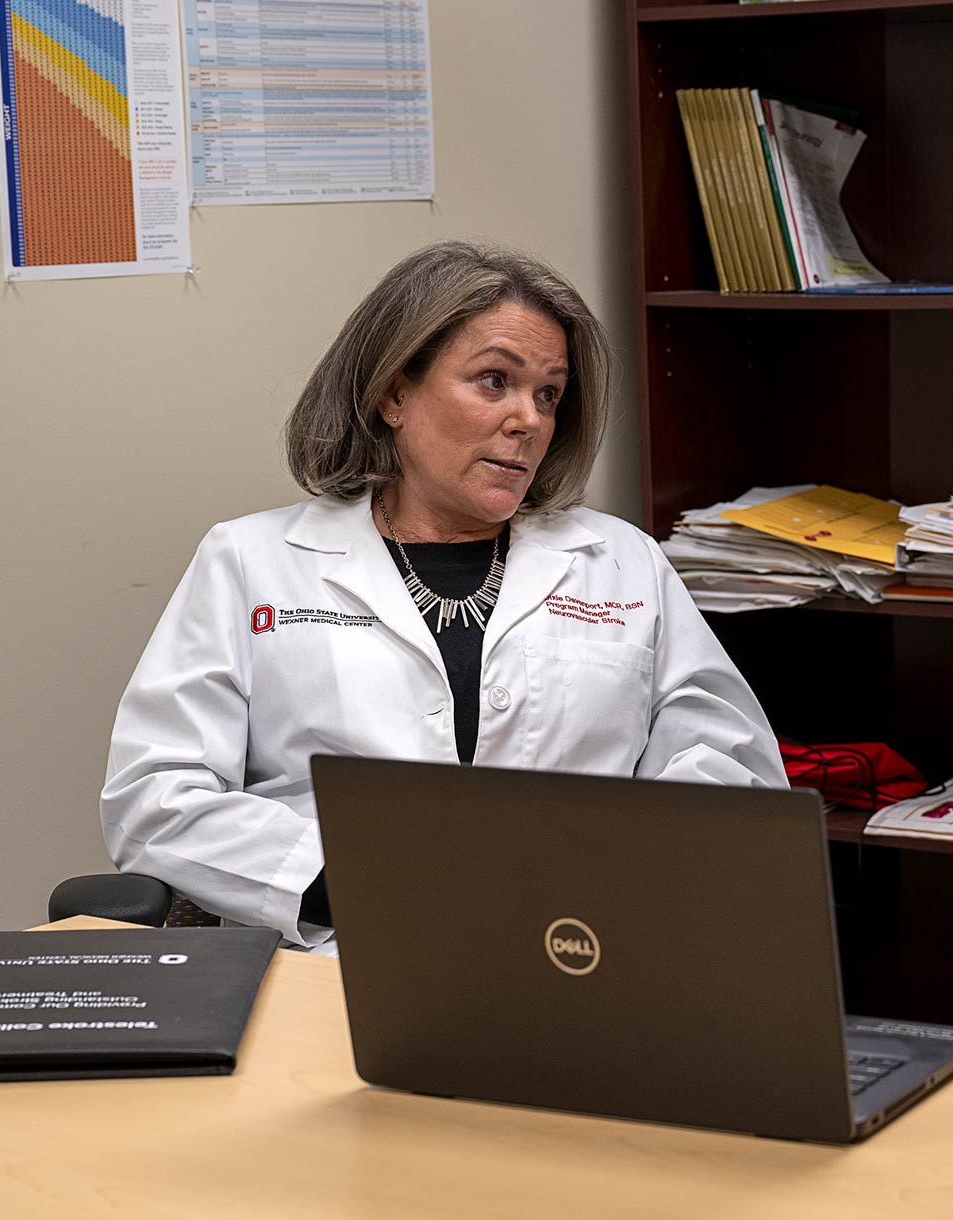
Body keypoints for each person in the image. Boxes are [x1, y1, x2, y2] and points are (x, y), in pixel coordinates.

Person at [102, 241, 785, 952]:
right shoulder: (251, 562)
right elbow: (155, 798)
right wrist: (361, 883)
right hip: (342, 960)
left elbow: (732, 772)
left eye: (548, 393)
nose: (528, 419)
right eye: (495, 381)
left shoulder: (620, 564)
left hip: (579, 954)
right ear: (395, 393)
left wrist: (615, 875)